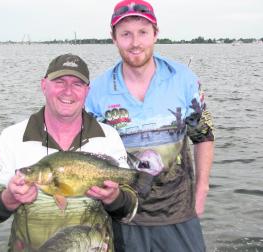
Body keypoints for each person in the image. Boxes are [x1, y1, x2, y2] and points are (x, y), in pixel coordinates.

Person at [0, 53, 142, 252]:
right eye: (60, 81)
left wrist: (113, 198)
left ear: (87, 91)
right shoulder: (12, 137)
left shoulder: (108, 136)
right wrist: (8, 199)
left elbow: (129, 210)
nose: (68, 91)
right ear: (44, 85)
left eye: (77, 84)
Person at [85, 0, 215, 251]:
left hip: (180, 211)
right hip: (124, 214)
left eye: (143, 32)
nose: (135, 42)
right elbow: (92, 157)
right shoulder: (97, 92)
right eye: (126, 34)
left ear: (156, 34)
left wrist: (202, 189)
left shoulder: (183, 79)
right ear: (114, 38)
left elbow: (203, 136)